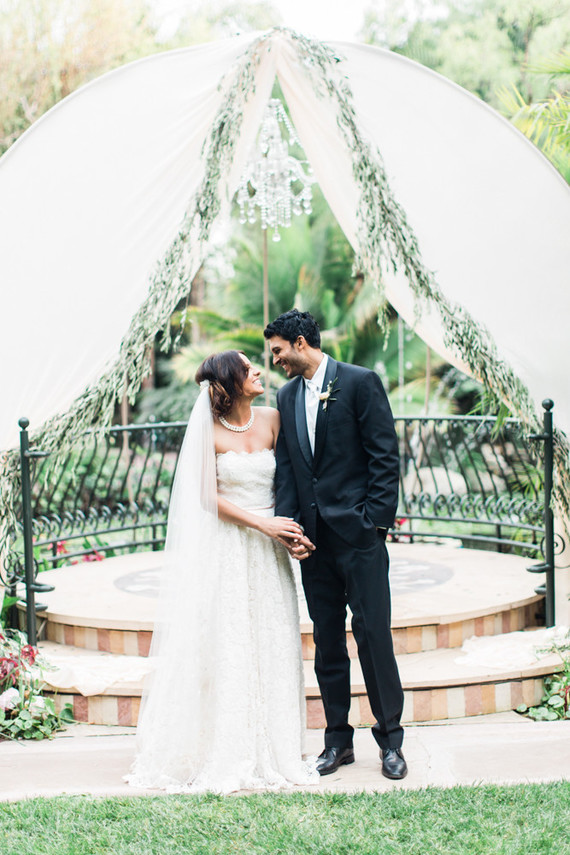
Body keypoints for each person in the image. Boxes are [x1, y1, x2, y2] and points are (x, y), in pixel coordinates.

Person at [126, 350, 317, 793]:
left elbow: (290, 481)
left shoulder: (273, 419)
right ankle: (228, 746)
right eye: (247, 369)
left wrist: (290, 530)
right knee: (230, 643)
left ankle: (278, 746)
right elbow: (207, 497)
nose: (258, 371)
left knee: (273, 638)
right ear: (229, 382)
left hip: (271, 551)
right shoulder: (207, 431)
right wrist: (263, 524)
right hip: (229, 546)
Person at [264, 309, 407, 780]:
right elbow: (289, 468)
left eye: (278, 351)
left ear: (300, 342)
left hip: (359, 538)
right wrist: (292, 529)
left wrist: (374, 526)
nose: (276, 360)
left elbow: (385, 457)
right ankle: (337, 742)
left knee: (373, 638)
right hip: (314, 543)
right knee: (327, 643)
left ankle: (391, 741)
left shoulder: (360, 382)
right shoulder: (286, 397)